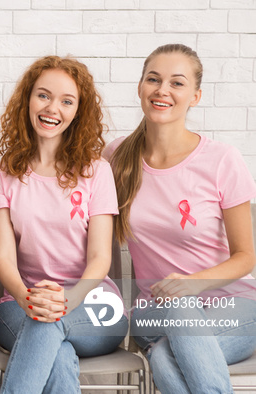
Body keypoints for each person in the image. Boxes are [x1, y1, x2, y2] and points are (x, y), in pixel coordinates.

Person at [105, 43, 256, 393]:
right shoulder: (115, 158)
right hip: (154, 311)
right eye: (154, 79)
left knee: (163, 358)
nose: (163, 90)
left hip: (233, 307)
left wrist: (194, 284)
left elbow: (246, 256)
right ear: (140, 87)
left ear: (196, 96)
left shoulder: (222, 160)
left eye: (177, 83)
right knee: (176, 311)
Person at [0, 56, 128, 393]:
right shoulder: (5, 171)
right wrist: (26, 298)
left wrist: (68, 299)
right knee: (57, 351)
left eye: (67, 101)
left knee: (49, 327)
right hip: (21, 303)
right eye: (44, 95)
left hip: (94, 304)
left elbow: (100, 258)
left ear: (78, 112)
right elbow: (4, 259)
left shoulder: (96, 172)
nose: (53, 108)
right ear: (27, 100)